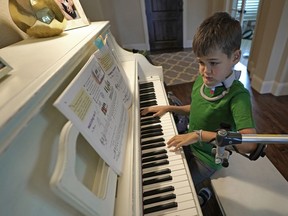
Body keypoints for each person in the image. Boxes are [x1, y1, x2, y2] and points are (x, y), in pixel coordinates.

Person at [141, 12, 257, 207]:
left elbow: (249, 144)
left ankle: (202, 195)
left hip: (207, 158)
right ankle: (201, 192)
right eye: (201, 62)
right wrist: (170, 108)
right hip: (191, 142)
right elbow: (197, 109)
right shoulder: (202, 82)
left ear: (235, 56)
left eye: (213, 63)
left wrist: (199, 135)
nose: (205, 70)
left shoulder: (238, 97)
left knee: (177, 189)